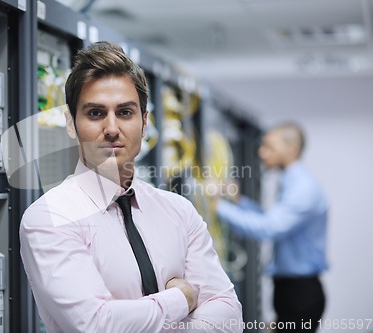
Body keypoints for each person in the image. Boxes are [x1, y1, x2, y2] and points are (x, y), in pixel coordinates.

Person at [20, 41, 242, 333]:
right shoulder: (49, 218)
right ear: (71, 124)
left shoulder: (179, 212)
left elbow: (230, 316)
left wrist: (132, 317)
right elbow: (96, 325)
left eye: (125, 112)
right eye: (95, 113)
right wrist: (183, 298)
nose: (112, 129)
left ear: (144, 123)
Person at [216, 123, 328, 333]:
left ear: (291, 150)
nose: (261, 152)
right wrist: (238, 202)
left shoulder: (303, 188)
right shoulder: (292, 182)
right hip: (291, 291)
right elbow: (270, 218)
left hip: (300, 294)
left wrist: (218, 206)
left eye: (269, 146)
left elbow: (269, 228)